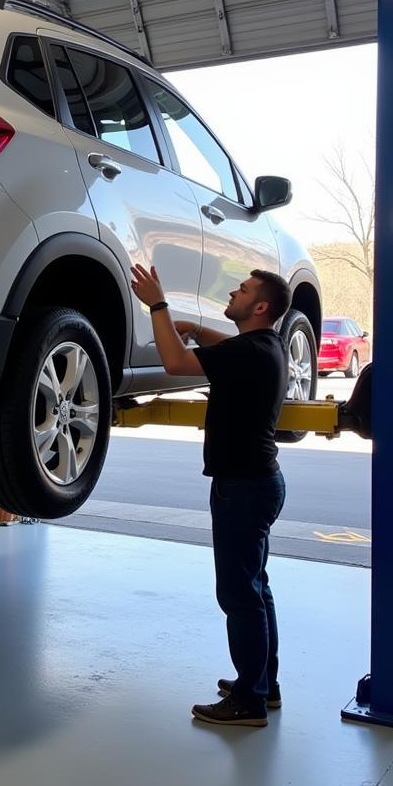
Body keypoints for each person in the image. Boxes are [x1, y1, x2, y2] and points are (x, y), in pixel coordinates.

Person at [130, 263, 290, 728]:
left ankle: (248, 702)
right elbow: (226, 347)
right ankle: (263, 685)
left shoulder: (253, 351)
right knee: (257, 588)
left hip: (243, 487)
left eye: (242, 290)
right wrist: (197, 327)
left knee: (239, 595)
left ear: (259, 306)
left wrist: (158, 305)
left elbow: (176, 364)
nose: (234, 293)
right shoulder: (267, 346)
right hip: (260, 482)